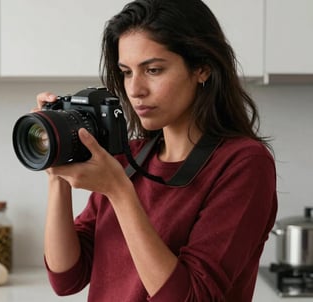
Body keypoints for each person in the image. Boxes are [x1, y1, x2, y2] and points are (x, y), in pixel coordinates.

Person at [37, 0, 277, 301]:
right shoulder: (129, 156)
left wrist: (121, 193)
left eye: (153, 70)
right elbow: (66, 278)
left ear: (201, 68)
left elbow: (193, 296)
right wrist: (56, 167)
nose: (135, 89)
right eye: (126, 72)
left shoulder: (243, 164)